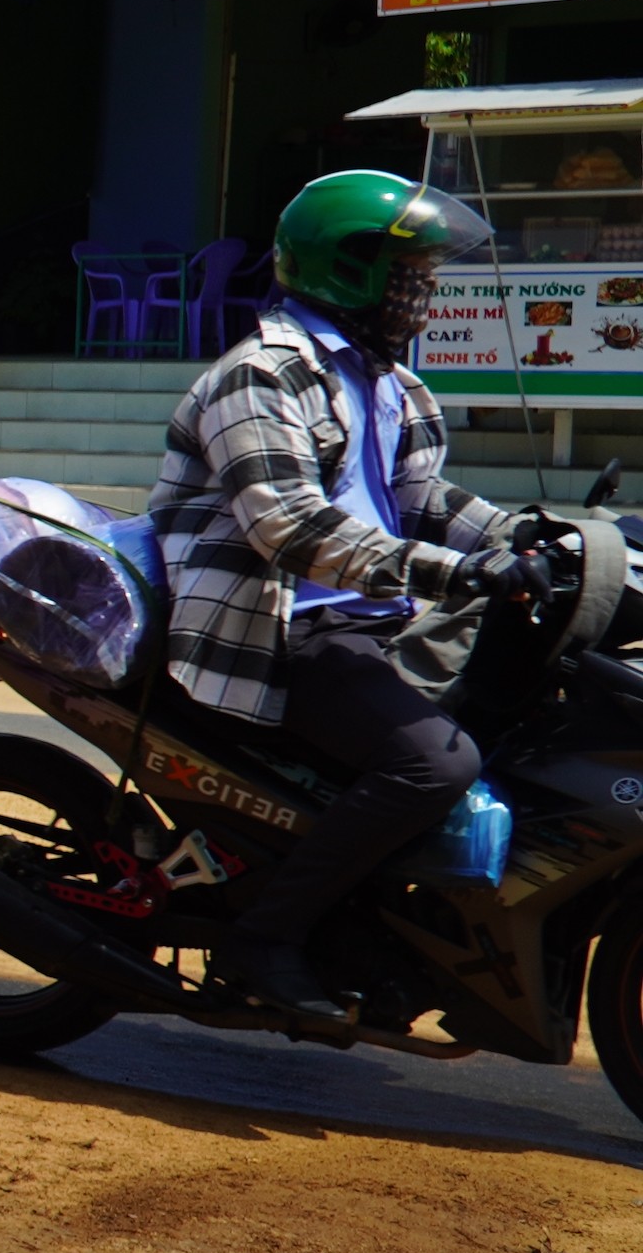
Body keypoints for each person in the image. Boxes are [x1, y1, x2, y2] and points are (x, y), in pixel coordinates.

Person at [144, 168, 542, 1024]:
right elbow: (289, 527)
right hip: (281, 628)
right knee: (436, 759)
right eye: (413, 273)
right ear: (352, 267)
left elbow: (428, 500)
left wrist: (533, 540)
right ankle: (265, 939)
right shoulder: (260, 375)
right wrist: (449, 571)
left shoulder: (387, 383)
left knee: (523, 717)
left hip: (365, 622)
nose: (426, 292)